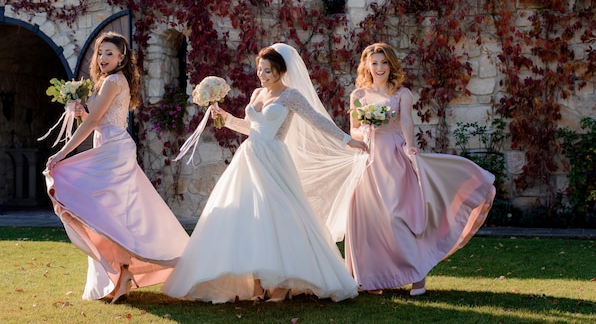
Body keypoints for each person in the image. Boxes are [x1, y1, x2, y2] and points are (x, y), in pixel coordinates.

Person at [162, 43, 368, 304]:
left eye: (268, 70)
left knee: (282, 219)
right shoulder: (257, 94)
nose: (262, 75)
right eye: (260, 70)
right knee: (250, 219)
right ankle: (258, 287)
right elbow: (251, 128)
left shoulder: (291, 96)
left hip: (274, 160)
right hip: (249, 158)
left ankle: (282, 286)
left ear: (281, 71)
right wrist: (224, 117)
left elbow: (317, 120)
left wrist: (346, 140)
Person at [44, 32, 189, 302]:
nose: (102, 58)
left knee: (108, 214)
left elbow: (92, 123)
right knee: (108, 213)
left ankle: (122, 274)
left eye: (109, 53)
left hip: (114, 149)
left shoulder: (113, 80)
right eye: (100, 53)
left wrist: (62, 153)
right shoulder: (104, 82)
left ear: (122, 58)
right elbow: (94, 120)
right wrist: (80, 110)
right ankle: (119, 275)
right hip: (107, 146)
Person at [345, 42, 496, 296]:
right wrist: (366, 127)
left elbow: (406, 120)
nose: (379, 68)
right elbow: (353, 128)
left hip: (394, 156)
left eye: (384, 63)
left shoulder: (402, 93)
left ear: (391, 65)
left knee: (399, 218)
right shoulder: (358, 96)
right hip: (368, 160)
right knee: (372, 220)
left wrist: (411, 147)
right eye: (374, 63)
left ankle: (418, 277)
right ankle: (375, 279)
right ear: (367, 66)